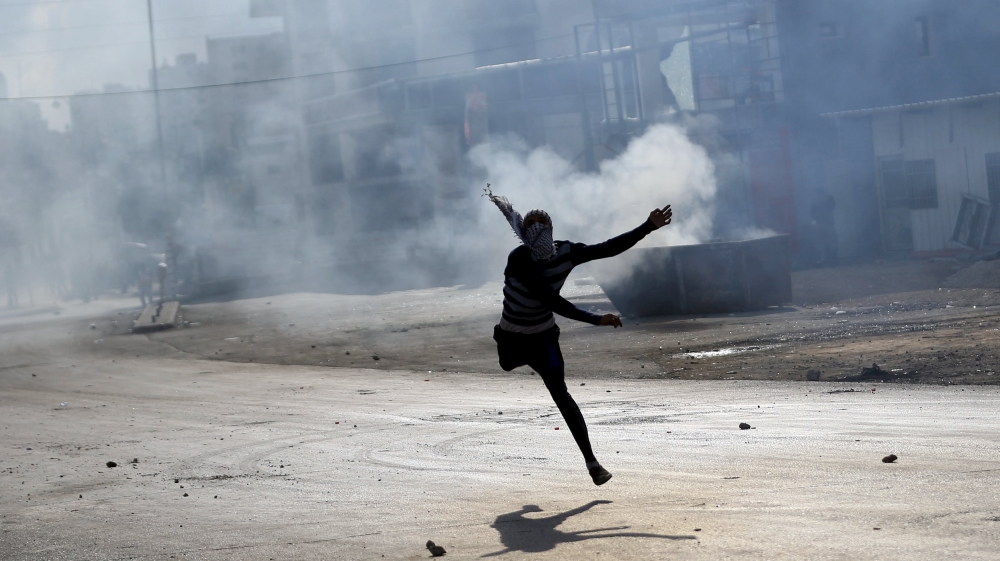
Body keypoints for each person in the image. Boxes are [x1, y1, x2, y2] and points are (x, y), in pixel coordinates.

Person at [485, 186, 672, 486]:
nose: (536, 231)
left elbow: (607, 248)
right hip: (512, 338)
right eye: (530, 225)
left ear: (551, 230)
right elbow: (551, 300)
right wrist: (596, 319)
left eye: (540, 225)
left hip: (544, 337)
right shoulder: (519, 258)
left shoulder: (567, 252)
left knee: (561, 394)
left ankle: (593, 463)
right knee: (507, 364)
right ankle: (505, 346)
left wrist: (648, 226)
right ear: (523, 232)